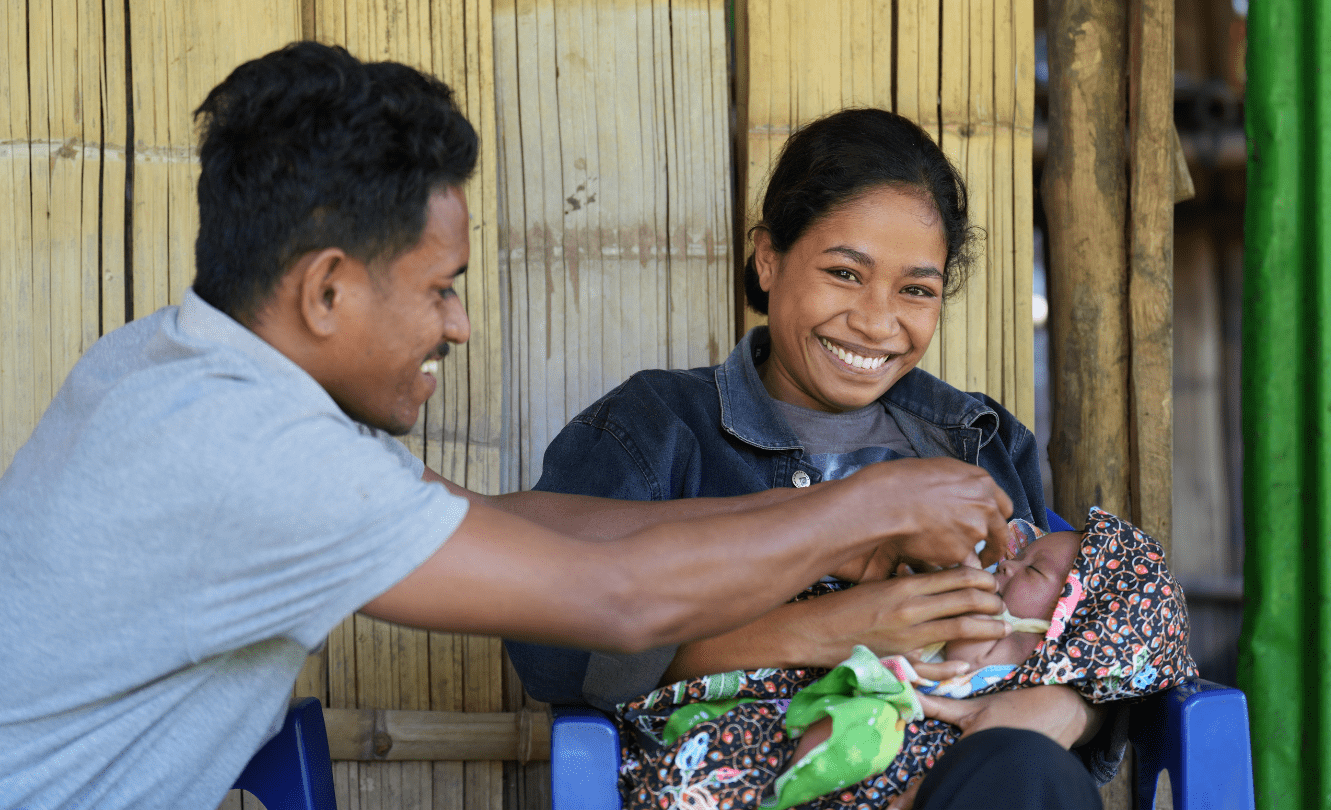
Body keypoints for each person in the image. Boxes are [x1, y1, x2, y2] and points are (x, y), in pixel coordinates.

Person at [0, 46, 1020, 810]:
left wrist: (862, 506)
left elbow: (525, 524)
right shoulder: (257, 457)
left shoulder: (173, 368)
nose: (459, 323)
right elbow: (615, 601)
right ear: (326, 291)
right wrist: (869, 507)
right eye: (441, 288)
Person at [507, 108, 1116, 809]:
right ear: (769, 259)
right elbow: (554, 654)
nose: (878, 321)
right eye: (845, 273)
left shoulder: (977, 442)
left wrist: (1068, 707)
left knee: (1027, 769)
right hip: (741, 786)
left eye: (916, 289)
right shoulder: (653, 433)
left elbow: (1089, 624)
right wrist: (824, 630)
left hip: (947, 785)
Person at [757, 508, 1197, 809]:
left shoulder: (1005, 652)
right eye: (1019, 555)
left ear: (1072, 629)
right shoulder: (1005, 635)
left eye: (1034, 569)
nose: (1005, 565)